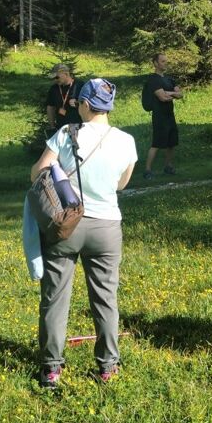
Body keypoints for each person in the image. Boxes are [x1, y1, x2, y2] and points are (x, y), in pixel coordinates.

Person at [30, 78, 137, 388]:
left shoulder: (66, 133)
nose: (76, 105)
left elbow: (37, 172)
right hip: (106, 228)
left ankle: (51, 369)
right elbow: (121, 184)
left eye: (78, 102)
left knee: (55, 298)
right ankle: (107, 367)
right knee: (106, 299)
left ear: (87, 105)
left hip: (66, 226)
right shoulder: (126, 141)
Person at [143, 53, 182, 179]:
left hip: (170, 115)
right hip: (159, 116)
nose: (166, 63)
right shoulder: (153, 79)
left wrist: (167, 92)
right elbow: (163, 98)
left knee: (171, 142)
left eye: (166, 61)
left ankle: (168, 166)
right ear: (155, 63)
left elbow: (180, 94)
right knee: (157, 143)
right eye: (163, 61)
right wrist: (171, 94)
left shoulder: (170, 79)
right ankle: (147, 170)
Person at [46, 63, 82, 133]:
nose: (55, 80)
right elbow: (50, 107)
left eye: (57, 77)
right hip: (60, 129)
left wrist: (78, 103)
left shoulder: (80, 86)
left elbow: (89, 105)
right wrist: (52, 126)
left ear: (66, 74)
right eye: (53, 78)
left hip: (78, 128)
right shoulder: (54, 89)